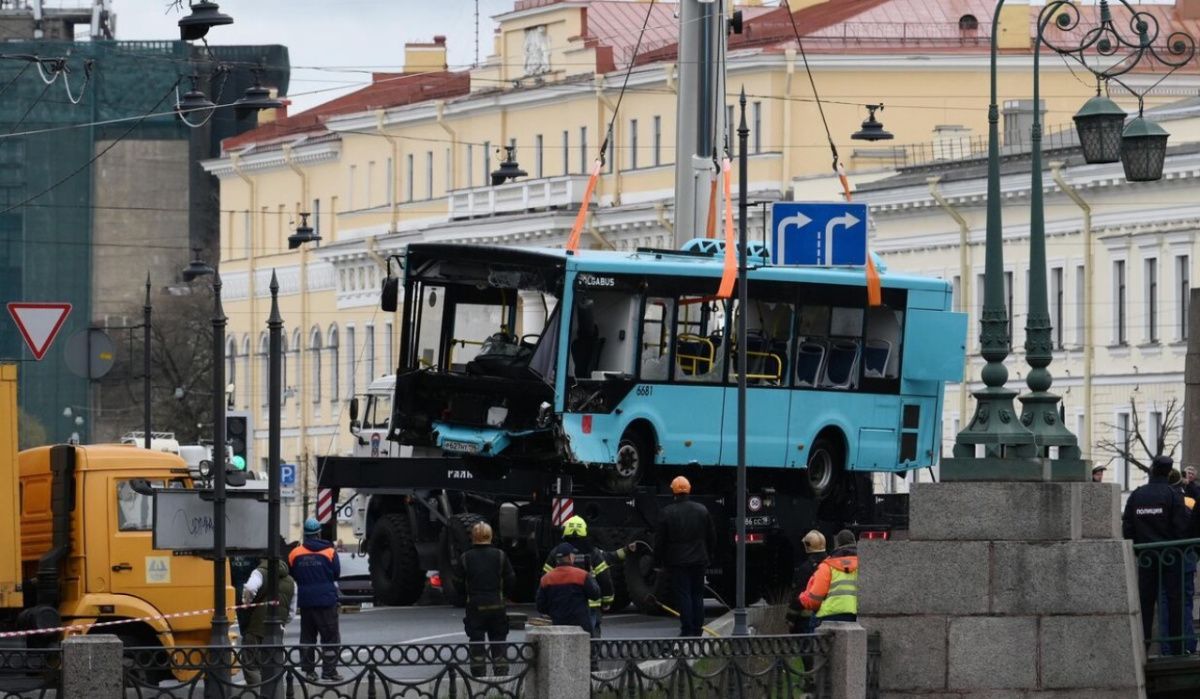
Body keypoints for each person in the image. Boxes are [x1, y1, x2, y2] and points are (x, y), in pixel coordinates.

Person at [1123, 455, 1191, 655]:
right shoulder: (1173, 495)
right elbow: (1181, 528)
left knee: (1145, 602)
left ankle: (1143, 648)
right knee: (1174, 601)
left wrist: (1139, 546)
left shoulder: (1137, 495)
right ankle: (1177, 649)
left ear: (1152, 469)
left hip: (1146, 557)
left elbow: (1127, 527)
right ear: (1169, 472)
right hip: (1170, 556)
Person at [543, 515, 636, 637]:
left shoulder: (557, 553)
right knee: (591, 639)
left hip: (562, 604)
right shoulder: (593, 552)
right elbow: (604, 578)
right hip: (589, 606)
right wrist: (607, 601)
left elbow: (545, 579)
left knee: (562, 639)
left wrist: (546, 604)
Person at [653, 475, 716, 637]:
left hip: (677, 562)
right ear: (689, 490)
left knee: (684, 595)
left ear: (673, 491)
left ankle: (687, 629)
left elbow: (660, 541)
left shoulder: (666, 513)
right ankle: (698, 629)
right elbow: (711, 536)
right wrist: (709, 555)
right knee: (697, 594)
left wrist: (657, 561)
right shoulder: (702, 510)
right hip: (699, 560)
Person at [288, 517, 342, 682]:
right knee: (330, 638)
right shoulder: (330, 552)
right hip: (326, 601)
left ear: (305, 534)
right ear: (319, 534)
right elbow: (336, 573)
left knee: (307, 638)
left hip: (306, 602)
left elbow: (292, 575)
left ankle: (309, 671)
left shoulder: (295, 554)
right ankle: (329, 671)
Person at [460, 522, 516, 677]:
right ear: (490, 536)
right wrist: (504, 595)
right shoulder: (500, 555)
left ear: (473, 537)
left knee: (476, 641)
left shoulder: (466, 557)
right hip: (497, 604)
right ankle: (502, 674)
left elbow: (457, 582)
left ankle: (478, 676)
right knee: (498, 640)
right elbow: (511, 579)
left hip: (475, 606)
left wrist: (465, 597)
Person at [240, 554, 297, 694]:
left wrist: (246, 603)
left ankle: (259, 694)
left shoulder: (259, 572)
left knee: (251, 663)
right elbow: (292, 612)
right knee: (273, 665)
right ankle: (275, 694)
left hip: (256, 627)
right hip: (278, 631)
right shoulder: (292, 582)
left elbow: (250, 588)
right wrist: (282, 622)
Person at [536, 543, 601, 632]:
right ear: (570, 557)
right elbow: (595, 595)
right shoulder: (582, 575)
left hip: (557, 627)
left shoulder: (546, 578)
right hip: (581, 627)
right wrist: (592, 577)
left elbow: (541, 606)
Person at [799, 529, 859, 625]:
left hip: (830, 616)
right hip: (858, 616)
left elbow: (814, 600)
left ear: (838, 544)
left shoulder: (827, 566)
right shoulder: (865, 565)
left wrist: (802, 597)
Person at [786, 530, 828, 634]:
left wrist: (790, 618)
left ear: (807, 545)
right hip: (828, 617)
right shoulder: (832, 565)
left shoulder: (805, 568)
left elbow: (798, 595)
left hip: (806, 619)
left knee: (805, 648)